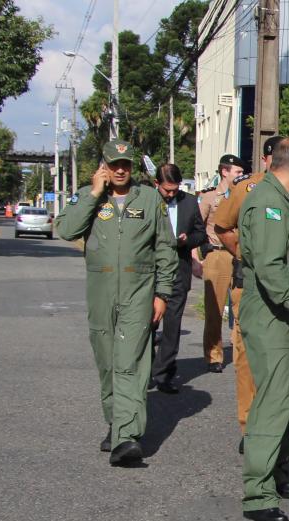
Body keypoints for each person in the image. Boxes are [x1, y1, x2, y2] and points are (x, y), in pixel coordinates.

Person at [55, 139, 178, 466]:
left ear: (132, 167)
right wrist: (95, 194)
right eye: (114, 165)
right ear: (104, 166)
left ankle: (127, 436)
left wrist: (162, 293)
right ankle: (115, 421)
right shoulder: (88, 195)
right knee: (108, 361)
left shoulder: (149, 198)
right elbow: (66, 229)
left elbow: (165, 248)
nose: (120, 170)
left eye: (125, 165)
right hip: (101, 290)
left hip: (139, 291)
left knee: (130, 362)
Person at [213, 137, 289, 455]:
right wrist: (247, 254)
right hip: (254, 289)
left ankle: (275, 443)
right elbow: (222, 226)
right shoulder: (248, 189)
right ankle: (251, 430)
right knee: (250, 364)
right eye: (268, 158)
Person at [237, 137, 289, 521]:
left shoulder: (286, 201)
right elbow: (269, 265)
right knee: (274, 401)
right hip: (273, 315)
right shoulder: (268, 202)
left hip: (284, 315)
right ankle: (258, 494)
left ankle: (276, 472)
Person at [150, 164, 207, 394]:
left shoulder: (189, 202)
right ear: (156, 184)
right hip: (150, 273)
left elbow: (200, 234)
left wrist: (187, 240)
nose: (171, 194)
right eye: (167, 190)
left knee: (172, 325)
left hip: (178, 271)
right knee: (148, 323)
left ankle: (164, 373)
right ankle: (144, 369)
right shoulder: (146, 201)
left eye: (175, 190)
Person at [198, 154, 245, 373]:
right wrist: (197, 256)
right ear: (224, 172)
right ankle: (213, 355)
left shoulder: (243, 194)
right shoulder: (210, 197)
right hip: (216, 254)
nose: (241, 175)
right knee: (214, 309)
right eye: (237, 171)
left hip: (238, 254)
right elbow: (198, 225)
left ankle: (239, 353)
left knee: (241, 307)